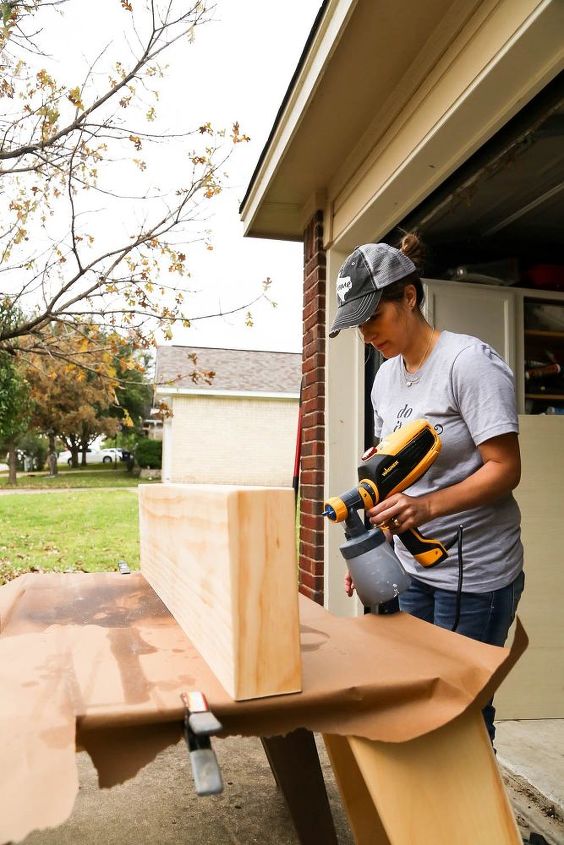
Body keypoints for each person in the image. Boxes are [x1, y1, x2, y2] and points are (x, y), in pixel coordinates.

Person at [328, 234, 524, 743]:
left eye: (374, 317)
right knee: (414, 695)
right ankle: (429, 818)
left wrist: (427, 506)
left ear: (409, 297)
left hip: (475, 573)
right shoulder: (385, 380)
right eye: (357, 324)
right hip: (415, 569)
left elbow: (505, 467)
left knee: (461, 710)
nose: (367, 334)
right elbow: (389, 471)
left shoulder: (468, 363)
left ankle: (478, 821)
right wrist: (374, 552)